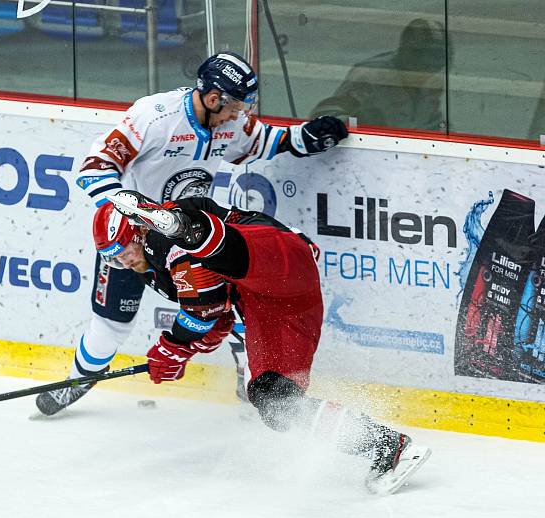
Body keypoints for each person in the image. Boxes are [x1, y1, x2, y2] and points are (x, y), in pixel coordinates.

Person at [35, 51, 349, 416]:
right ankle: (78, 379)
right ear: (214, 98)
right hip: (131, 239)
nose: (240, 115)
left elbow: (261, 141)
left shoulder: (227, 122)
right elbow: (96, 167)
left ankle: (250, 382)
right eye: (236, 106)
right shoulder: (154, 117)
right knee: (111, 321)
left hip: (191, 239)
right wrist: (134, 214)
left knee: (237, 303)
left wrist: (304, 139)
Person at [96, 190, 432, 494]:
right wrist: (185, 349)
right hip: (272, 307)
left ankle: (187, 229)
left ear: (139, 230)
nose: (123, 262)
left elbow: (203, 312)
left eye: (123, 251)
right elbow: (219, 315)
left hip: (279, 257)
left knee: (224, 250)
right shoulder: (152, 269)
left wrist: (174, 346)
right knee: (273, 401)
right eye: (113, 259)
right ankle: (388, 445)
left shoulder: (169, 233)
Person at [310, 18, 449, 131]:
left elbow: (433, 124)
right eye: (425, 66)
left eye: (436, 67)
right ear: (407, 54)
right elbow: (325, 117)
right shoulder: (371, 76)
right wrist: (354, 124)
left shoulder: (433, 82)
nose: (429, 74)